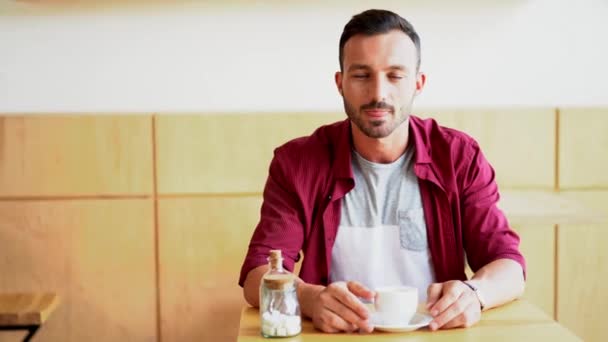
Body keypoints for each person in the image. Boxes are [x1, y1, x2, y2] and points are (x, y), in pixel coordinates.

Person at [239, 9, 526, 333]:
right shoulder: (297, 163)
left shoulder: (459, 157)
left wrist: (475, 293)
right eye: (362, 75)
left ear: (418, 83)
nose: (378, 93)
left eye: (395, 75)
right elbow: (256, 276)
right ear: (340, 83)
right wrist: (308, 297)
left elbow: (509, 267)